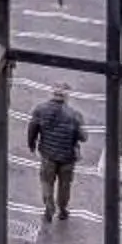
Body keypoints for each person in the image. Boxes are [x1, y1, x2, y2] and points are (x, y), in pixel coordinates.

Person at [28, 86, 86, 222]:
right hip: (67, 157)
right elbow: (83, 137)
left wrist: (32, 144)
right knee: (65, 185)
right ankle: (62, 209)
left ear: (52, 94)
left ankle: (49, 206)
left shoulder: (40, 110)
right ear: (66, 97)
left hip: (48, 155)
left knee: (47, 182)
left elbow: (32, 128)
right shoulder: (74, 115)